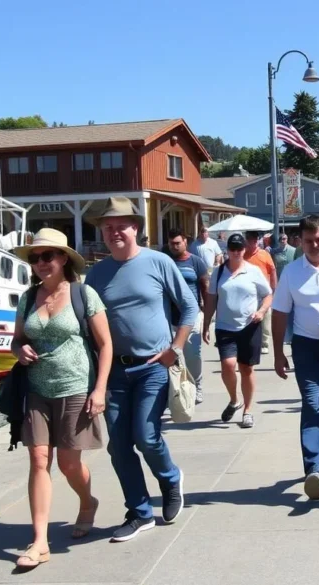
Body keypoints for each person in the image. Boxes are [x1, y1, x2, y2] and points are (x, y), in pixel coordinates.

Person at [85, 196, 197, 542]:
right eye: (108, 227)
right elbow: (87, 325)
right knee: (118, 446)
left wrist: (174, 350)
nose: (114, 231)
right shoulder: (96, 274)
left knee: (146, 436)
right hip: (115, 372)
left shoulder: (158, 262)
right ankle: (139, 512)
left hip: (152, 368)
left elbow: (189, 308)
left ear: (136, 227)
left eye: (121, 225)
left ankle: (170, 478)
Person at [9, 228, 112, 569]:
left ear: (63, 258)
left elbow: (105, 345)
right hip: (36, 389)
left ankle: (87, 502)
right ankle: (39, 542)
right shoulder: (28, 298)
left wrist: (99, 390)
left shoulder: (84, 295)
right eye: (35, 258)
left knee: (69, 465)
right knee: (39, 460)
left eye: (47, 256)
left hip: (75, 387)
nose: (40, 263)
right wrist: (19, 349)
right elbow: (17, 339)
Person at [271, 215, 319, 500]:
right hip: (306, 347)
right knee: (311, 402)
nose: (315, 245)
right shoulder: (292, 272)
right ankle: (312, 467)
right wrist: (279, 352)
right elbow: (280, 313)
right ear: (299, 242)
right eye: (308, 241)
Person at [204, 233, 273, 429]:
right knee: (228, 365)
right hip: (225, 327)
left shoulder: (253, 271)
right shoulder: (218, 273)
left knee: (246, 368)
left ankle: (248, 410)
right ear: (227, 250)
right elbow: (211, 300)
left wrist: (261, 311)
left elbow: (268, 295)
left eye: (239, 249)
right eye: (232, 249)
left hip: (249, 327)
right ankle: (235, 399)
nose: (235, 252)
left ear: (244, 250)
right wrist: (206, 323)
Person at [166, 229, 209, 404]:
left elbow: (205, 287)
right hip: (169, 317)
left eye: (177, 243)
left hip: (192, 316)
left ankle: (197, 385)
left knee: (192, 355)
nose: (174, 246)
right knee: (172, 357)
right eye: (171, 243)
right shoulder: (165, 261)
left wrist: (207, 318)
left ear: (186, 242)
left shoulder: (196, 262)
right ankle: (176, 390)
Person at [243, 230, 278, 355]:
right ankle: (248, 340)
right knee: (249, 316)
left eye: (254, 239)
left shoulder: (264, 254)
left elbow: (272, 270)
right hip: (248, 291)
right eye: (249, 239)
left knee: (266, 316)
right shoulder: (243, 255)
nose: (252, 242)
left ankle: (264, 343)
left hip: (264, 291)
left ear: (257, 240)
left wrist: (274, 288)